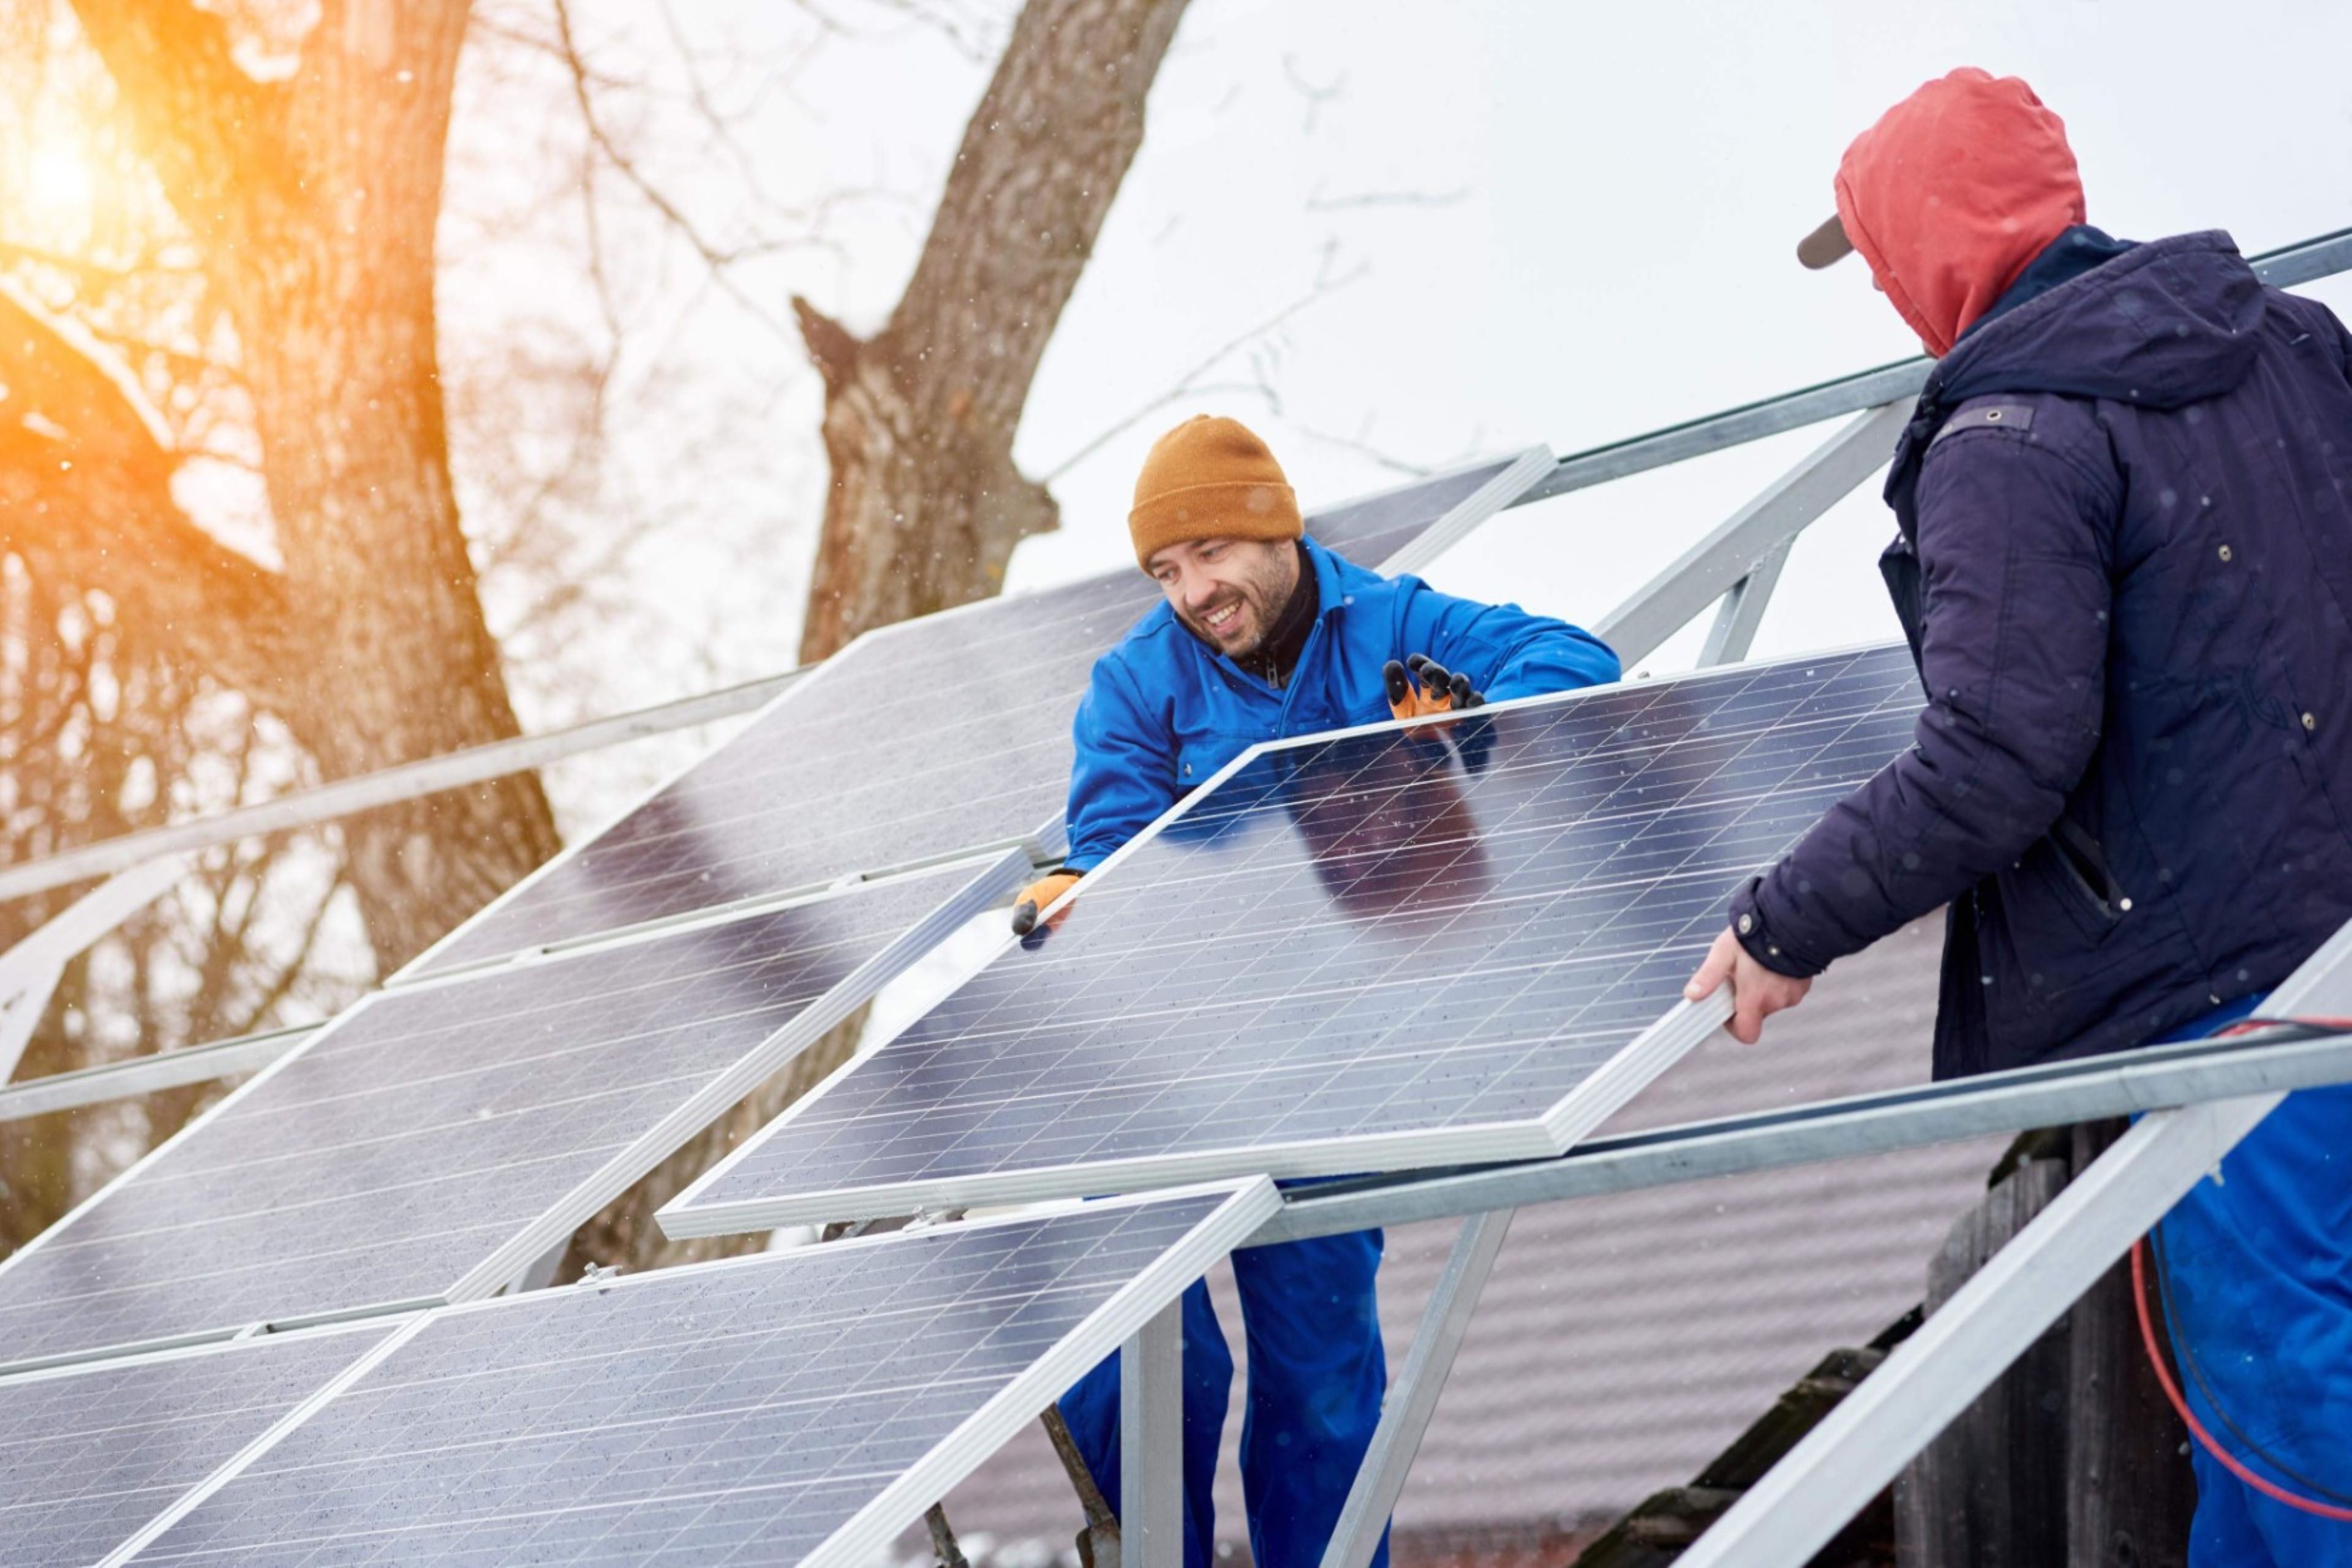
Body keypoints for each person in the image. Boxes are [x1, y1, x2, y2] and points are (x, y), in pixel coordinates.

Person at [1683, 69, 2352, 1565]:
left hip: (2231, 996)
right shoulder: (2293, 343)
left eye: (1874, 258)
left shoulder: (2012, 435)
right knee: (2280, 1421)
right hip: (2338, 943)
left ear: (1932, 245)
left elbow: (1998, 749)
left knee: (2291, 1412)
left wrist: (1786, 918)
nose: (1881, 297)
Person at [1033, 413, 1619, 1568]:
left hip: (1326, 1068)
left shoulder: (1396, 623)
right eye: (1166, 570)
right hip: (1169, 1065)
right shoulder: (1136, 683)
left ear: (1272, 528)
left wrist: (1475, 720)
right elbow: (1111, 847)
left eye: (1208, 554)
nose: (1192, 590)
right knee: (1145, 1358)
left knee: (1320, 1379)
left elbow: (1575, 662)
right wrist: (1078, 886)